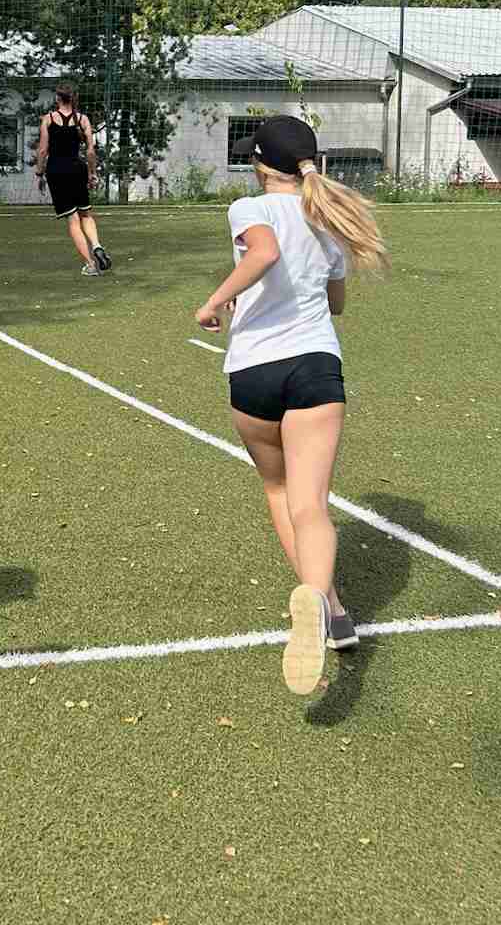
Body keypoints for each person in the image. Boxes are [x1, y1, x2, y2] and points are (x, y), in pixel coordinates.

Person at [192, 115, 389, 698]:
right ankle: (328, 608)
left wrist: (214, 301)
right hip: (315, 367)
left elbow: (265, 251)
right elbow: (336, 303)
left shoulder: (249, 209)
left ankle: (328, 606)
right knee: (312, 506)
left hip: (254, 369)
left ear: (259, 164)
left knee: (278, 490)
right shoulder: (328, 217)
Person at [35, 85, 111, 274]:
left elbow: (43, 150)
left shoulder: (48, 119)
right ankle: (97, 246)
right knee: (85, 214)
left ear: (58, 99)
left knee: (73, 219)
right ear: (73, 98)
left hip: (57, 170)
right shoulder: (82, 119)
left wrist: (39, 172)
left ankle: (91, 264)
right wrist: (92, 173)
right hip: (77, 168)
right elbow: (91, 151)